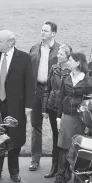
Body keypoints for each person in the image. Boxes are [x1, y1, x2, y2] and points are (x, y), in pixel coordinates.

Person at [0, 30, 33, 183]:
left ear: (10, 43)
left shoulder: (24, 58)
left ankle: (14, 171)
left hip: (16, 105)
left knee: (14, 138)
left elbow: (30, 82)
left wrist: (28, 105)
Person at [53, 52, 92, 183]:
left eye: (70, 60)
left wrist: (89, 123)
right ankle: (61, 177)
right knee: (63, 148)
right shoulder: (66, 78)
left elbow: (91, 104)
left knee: (79, 149)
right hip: (66, 117)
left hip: (80, 120)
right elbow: (61, 98)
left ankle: (78, 179)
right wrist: (59, 117)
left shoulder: (88, 82)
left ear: (78, 63)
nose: (68, 62)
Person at [29, 21, 61, 171]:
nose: (42, 33)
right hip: (37, 90)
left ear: (53, 33)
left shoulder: (61, 50)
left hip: (54, 93)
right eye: (41, 30)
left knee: (56, 128)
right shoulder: (34, 48)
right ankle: (35, 159)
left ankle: (57, 161)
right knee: (36, 125)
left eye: (46, 31)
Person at [44, 44, 72, 178]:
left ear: (67, 56)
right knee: (56, 136)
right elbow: (47, 88)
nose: (57, 56)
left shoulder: (72, 70)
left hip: (65, 110)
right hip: (52, 107)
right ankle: (54, 167)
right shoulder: (54, 68)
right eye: (58, 54)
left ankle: (63, 168)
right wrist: (44, 108)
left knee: (65, 139)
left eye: (60, 54)